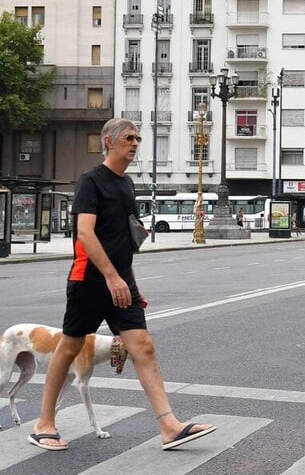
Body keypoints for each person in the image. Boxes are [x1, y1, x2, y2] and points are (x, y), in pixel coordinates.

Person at [30, 118, 216, 451]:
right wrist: (113, 277)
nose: (135, 143)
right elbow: (86, 234)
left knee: (142, 346)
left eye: (138, 138)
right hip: (88, 281)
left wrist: (130, 282)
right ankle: (44, 423)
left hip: (121, 283)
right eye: (129, 138)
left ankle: (169, 426)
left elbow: (124, 238)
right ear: (108, 142)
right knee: (70, 347)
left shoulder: (126, 184)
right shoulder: (91, 181)